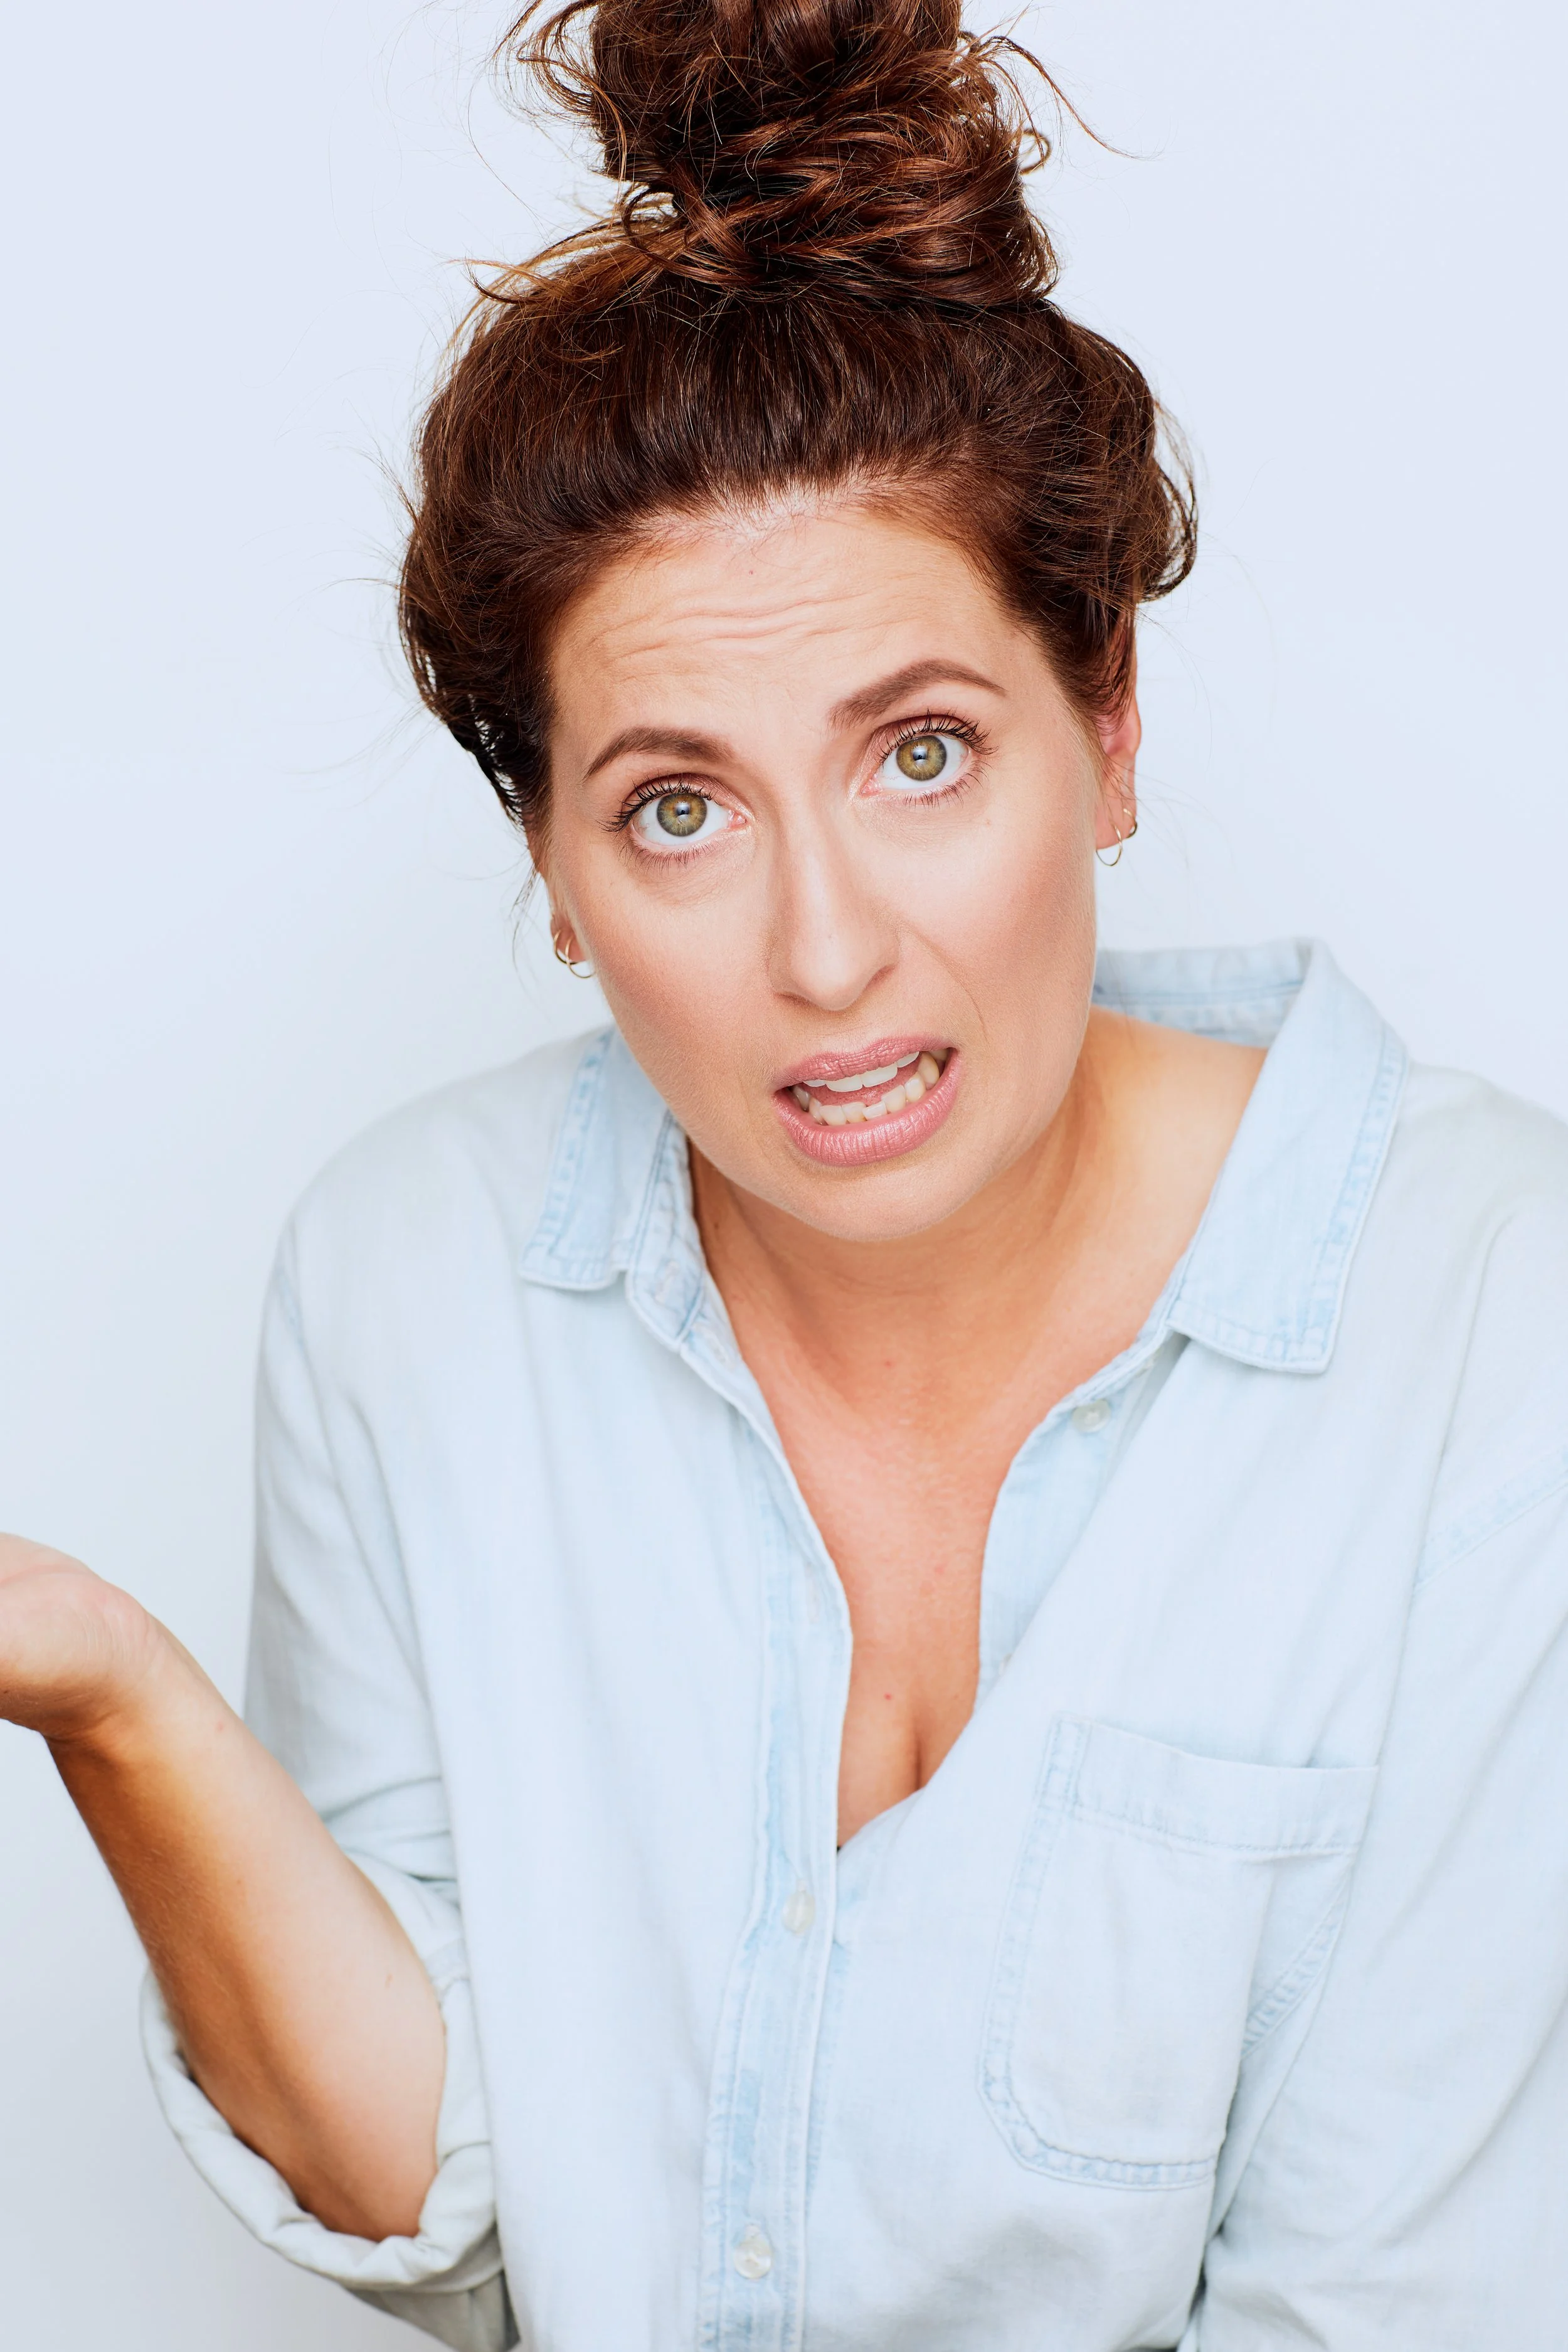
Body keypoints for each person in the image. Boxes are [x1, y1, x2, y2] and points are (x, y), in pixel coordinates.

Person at [4, 1, 1566, 2344]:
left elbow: (1400, 2301)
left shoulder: (1490, 1329)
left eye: (922, 752)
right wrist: (103, 1689)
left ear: (1109, 721)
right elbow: (451, 2195)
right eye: (674, 804)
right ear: (545, 861)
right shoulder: (405, 1278)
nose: (825, 950)